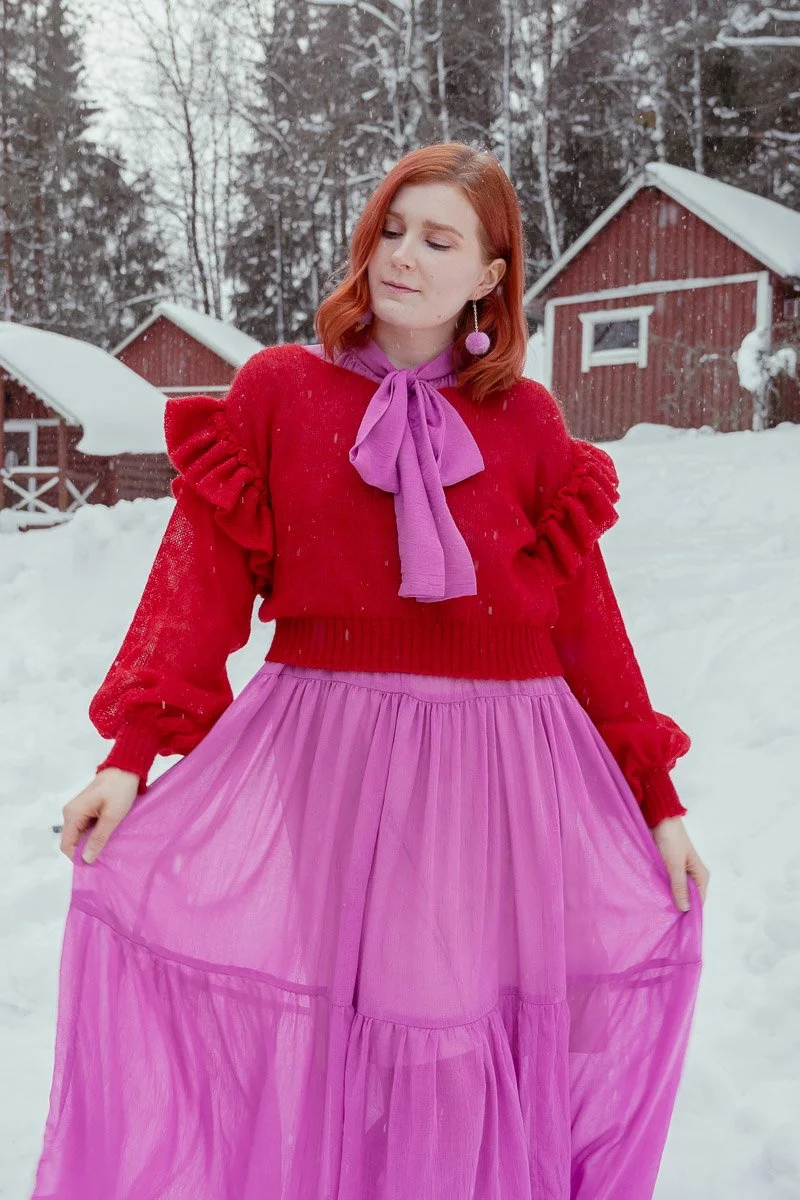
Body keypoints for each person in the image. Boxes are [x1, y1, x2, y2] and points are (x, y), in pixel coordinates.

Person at [31, 142, 708, 1200]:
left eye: (437, 239)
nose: (401, 255)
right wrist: (130, 756)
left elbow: (583, 622)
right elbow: (197, 582)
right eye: (391, 228)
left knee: (444, 1023)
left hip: (497, 764)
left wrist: (653, 796)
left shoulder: (526, 424)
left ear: (490, 275)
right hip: (330, 750)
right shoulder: (277, 392)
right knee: (349, 1018)